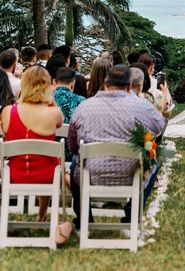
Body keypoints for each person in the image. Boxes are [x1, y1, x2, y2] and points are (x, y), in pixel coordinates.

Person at [68, 65, 166, 230]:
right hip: (131, 175)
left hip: (90, 175)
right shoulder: (141, 106)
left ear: (105, 83)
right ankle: (131, 213)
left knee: (74, 163)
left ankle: (84, 218)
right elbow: (159, 126)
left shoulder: (84, 107)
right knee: (154, 161)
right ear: (129, 86)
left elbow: (72, 144)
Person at [0, 66, 70, 240]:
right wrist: (51, 101)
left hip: (14, 175)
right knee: (49, 163)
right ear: (48, 85)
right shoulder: (53, 113)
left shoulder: (8, 112)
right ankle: (42, 215)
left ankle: (39, 216)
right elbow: (60, 121)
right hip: (48, 176)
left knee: (42, 162)